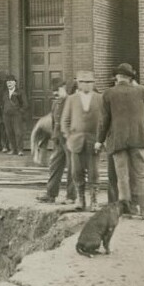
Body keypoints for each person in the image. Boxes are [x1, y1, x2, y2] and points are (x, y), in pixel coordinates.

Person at [95, 63, 144, 219]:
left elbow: (104, 121)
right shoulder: (141, 91)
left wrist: (99, 140)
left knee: (122, 176)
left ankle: (128, 210)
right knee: (141, 175)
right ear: (131, 78)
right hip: (139, 139)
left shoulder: (108, 93)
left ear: (117, 77)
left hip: (118, 140)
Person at [61, 71, 103, 211]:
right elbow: (65, 121)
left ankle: (94, 201)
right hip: (76, 141)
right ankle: (81, 200)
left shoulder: (100, 98)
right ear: (78, 83)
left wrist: (101, 139)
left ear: (93, 83)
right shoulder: (71, 99)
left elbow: (105, 121)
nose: (86, 85)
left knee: (94, 172)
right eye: (83, 82)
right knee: (76, 172)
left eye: (89, 82)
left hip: (94, 141)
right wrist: (69, 137)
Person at [37, 78, 77, 204]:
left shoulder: (72, 102)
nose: (56, 95)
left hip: (70, 140)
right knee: (54, 166)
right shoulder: (55, 104)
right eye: (54, 93)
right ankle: (51, 194)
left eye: (58, 91)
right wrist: (54, 137)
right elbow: (54, 123)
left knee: (72, 168)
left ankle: (71, 196)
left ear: (64, 88)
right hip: (59, 141)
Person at [1, 74, 28, 156]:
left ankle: (20, 150)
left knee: (18, 132)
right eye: (8, 82)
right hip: (6, 116)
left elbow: (25, 104)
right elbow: (2, 104)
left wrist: (20, 112)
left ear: (15, 83)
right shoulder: (5, 93)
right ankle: (13, 149)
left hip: (16, 116)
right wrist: (4, 113)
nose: (9, 83)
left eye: (11, 82)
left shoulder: (20, 92)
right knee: (9, 133)